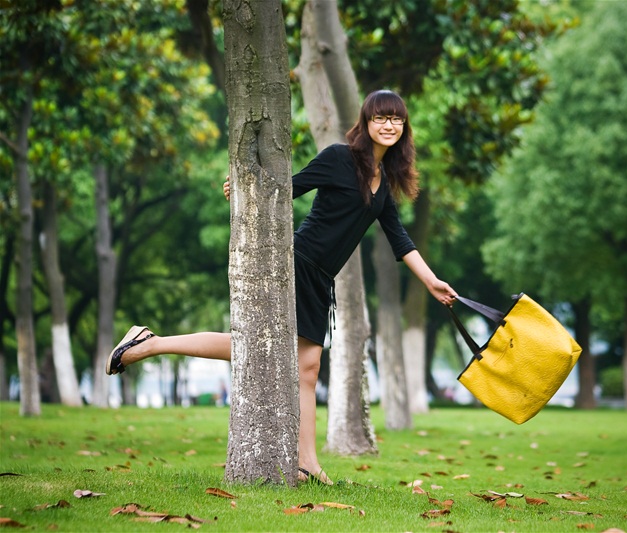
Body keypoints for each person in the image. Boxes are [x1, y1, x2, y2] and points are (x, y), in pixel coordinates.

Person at [105, 89, 458, 485]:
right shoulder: (340, 158)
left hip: (320, 278)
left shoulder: (382, 181)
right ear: (366, 123)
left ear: (404, 127)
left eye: (396, 119)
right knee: (258, 349)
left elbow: (400, 240)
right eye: (381, 118)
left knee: (305, 368)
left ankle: (306, 462)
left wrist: (431, 283)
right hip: (297, 264)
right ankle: (150, 344)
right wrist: (240, 190)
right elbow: (287, 187)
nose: (389, 125)